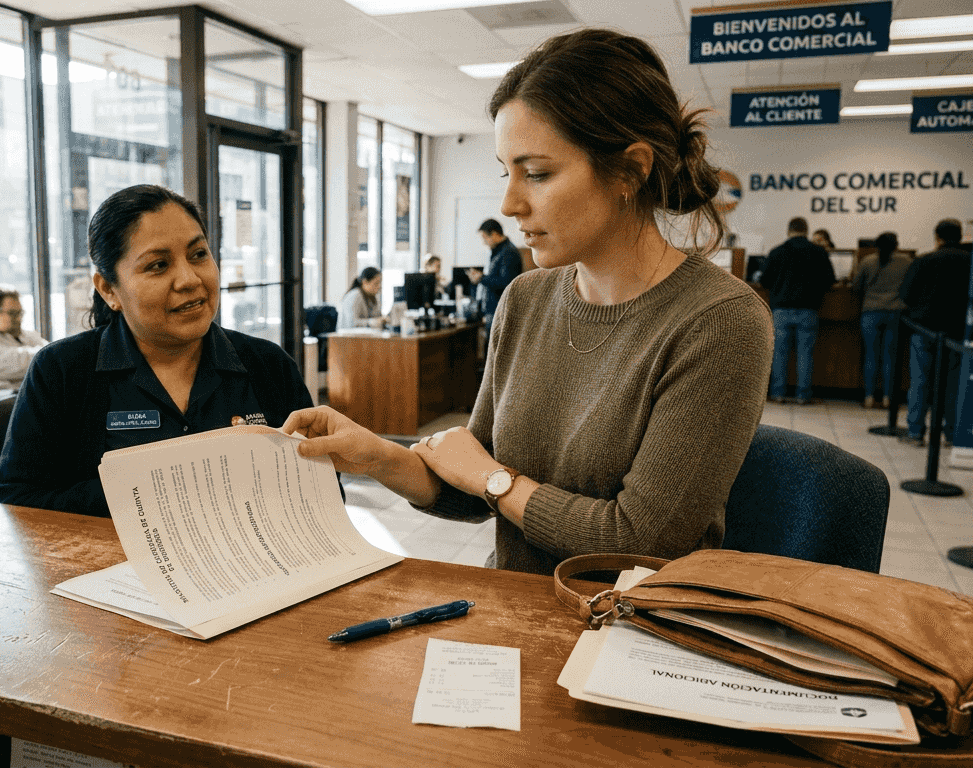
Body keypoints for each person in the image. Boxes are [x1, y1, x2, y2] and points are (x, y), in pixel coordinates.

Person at [282, 29, 773, 575]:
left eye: (536, 173)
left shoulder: (720, 321)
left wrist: (497, 481)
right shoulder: (526, 298)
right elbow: (472, 484)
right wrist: (379, 457)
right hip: (515, 608)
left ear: (632, 169)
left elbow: (642, 540)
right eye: (506, 171)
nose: (510, 202)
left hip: (629, 628)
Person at [0, 185, 312, 516]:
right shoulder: (62, 371)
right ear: (108, 289)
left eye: (198, 254)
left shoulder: (268, 365)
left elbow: (323, 490)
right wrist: (151, 492)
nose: (189, 279)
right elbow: (19, 500)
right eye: (158, 265)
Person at [898, 218, 972, 447]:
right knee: (952, 385)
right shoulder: (971, 262)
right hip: (957, 333)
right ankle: (950, 435)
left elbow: (905, 295)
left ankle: (915, 432)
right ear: (959, 236)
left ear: (937, 237)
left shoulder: (924, 260)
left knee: (920, 382)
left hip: (924, 329)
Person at [760, 216, 835, 404]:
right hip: (808, 310)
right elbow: (829, 280)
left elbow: (764, 281)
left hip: (781, 311)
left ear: (788, 231)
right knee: (805, 354)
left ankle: (778, 393)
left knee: (779, 353)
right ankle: (803, 395)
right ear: (806, 231)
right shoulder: (818, 252)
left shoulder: (776, 252)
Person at [852, 232, 911, 408]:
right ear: (897, 244)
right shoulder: (906, 261)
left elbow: (856, 286)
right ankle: (888, 398)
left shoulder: (867, 261)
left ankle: (869, 397)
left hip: (870, 312)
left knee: (871, 356)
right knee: (890, 358)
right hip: (895, 312)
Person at [467, 218, 523, 336]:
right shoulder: (497, 251)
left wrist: (481, 278)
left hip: (499, 311)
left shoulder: (508, 253)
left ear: (494, 234)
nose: (484, 242)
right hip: (492, 311)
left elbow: (507, 283)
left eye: (485, 238)